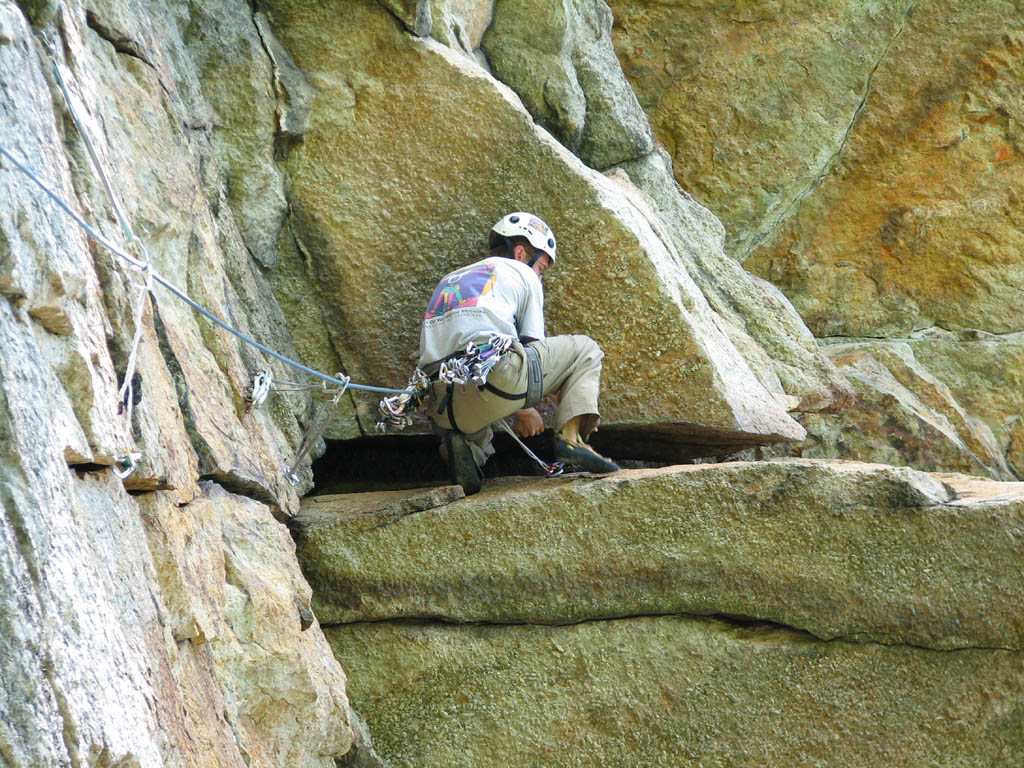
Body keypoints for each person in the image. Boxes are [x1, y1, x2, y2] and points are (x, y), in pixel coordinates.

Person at [418, 212, 619, 494]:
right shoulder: (523, 273)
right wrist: (526, 409)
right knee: (586, 350)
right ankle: (571, 438)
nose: (540, 275)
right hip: (499, 378)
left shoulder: (450, 279)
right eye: (542, 268)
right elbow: (532, 352)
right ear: (522, 253)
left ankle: (466, 453)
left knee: (474, 408)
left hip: (440, 404)